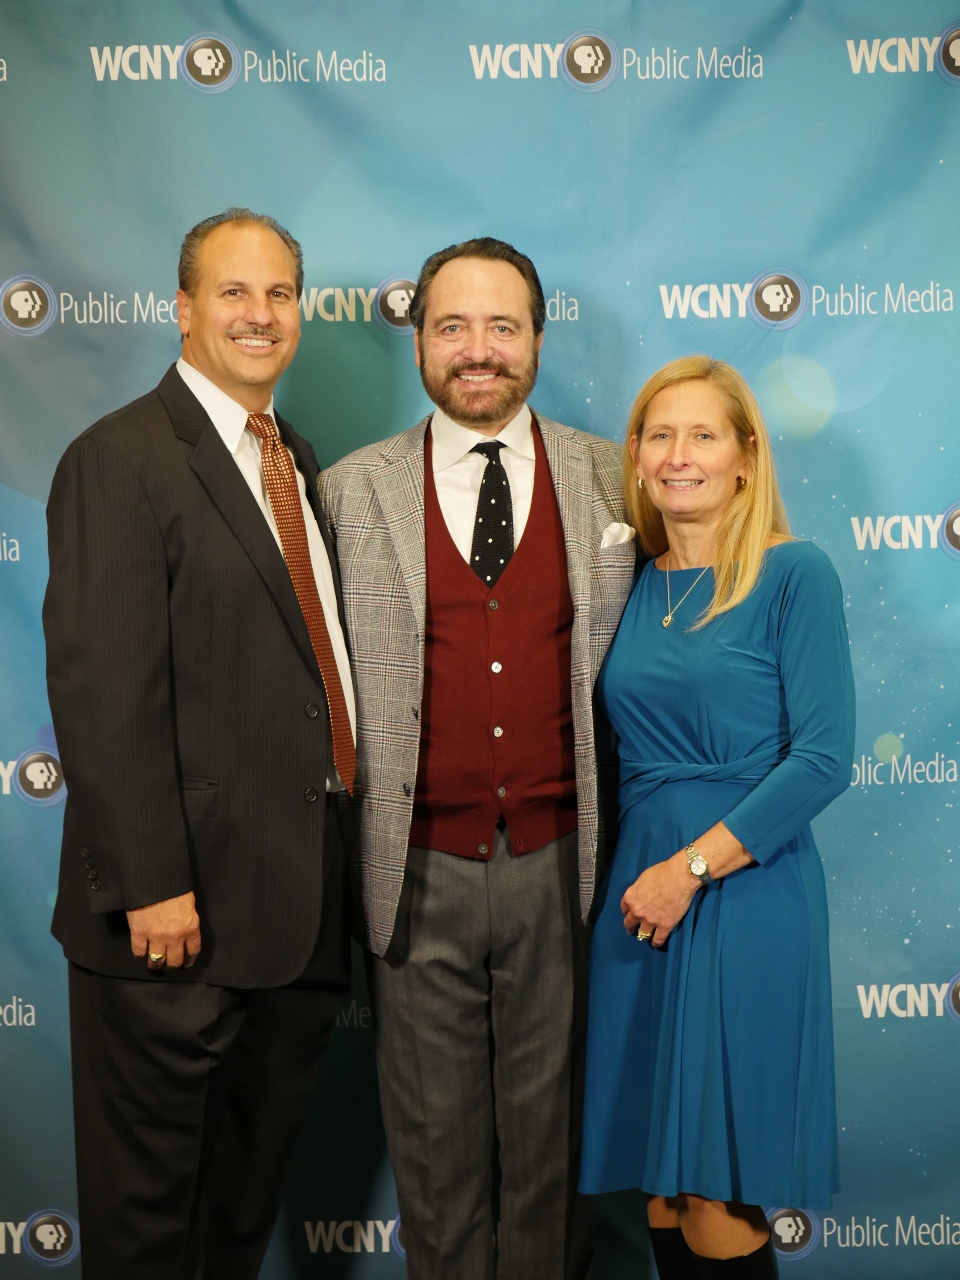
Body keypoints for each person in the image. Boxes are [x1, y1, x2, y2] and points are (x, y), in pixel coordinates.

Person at [43, 208, 356, 1279]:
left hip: (292, 917)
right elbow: (103, 689)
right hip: (173, 929)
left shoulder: (291, 456)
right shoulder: (119, 457)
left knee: (231, 1227)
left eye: (279, 293)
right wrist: (150, 883)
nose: (260, 315)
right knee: (148, 1237)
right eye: (233, 292)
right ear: (183, 309)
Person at [320, 237, 638, 1279]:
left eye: (503, 325)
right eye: (452, 325)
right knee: (438, 1167)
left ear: (540, 338)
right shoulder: (349, 491)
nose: (479, 349)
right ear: (417, 340)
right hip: (414, 874)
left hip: (564, 870)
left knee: (553, 1163)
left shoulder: (614, 479)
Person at [579, 356, 855, 1279]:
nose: (679, 455)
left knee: (716, 1185)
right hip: (638, 896)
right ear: (635, 454)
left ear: (746, 456)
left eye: (703, 435)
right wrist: (651, 877)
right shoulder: (633, 582)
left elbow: (824, 759)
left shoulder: (792, 573)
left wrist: (691, 870)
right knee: (661, 1184)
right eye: (660, 434)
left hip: (740, 893)